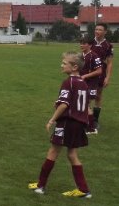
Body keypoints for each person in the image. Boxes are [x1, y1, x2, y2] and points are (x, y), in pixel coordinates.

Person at [28, 52, 92, 198]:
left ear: (74, 67)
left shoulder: (68, 82)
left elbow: (64, 105)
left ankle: (41, 185)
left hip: (67, 122)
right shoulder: (83, 83)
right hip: (79, 123)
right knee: (72, 154)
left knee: (53, 151)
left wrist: (52, 119)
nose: (61, 65)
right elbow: (82, 104)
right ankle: (83, 189)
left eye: (64, 63)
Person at [90, 22, 114, 129]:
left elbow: (110, 63)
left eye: (100, 30)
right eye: (96, 29)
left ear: (105, 32)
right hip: (88, 72)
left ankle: (95, 120)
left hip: (100, 73)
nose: (97, 31)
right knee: (86, 95)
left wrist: (107, 77)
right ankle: (84, 118)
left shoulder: (108, 45)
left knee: (98, 95)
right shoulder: (90, 42)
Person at [78, 35, 103, 134]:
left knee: (86, 104)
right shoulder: (80, 55)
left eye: (84, 43)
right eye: (80, 43)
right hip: (82, 83)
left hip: (91, 84)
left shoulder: (94, 56)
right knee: (83, 104)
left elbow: (99, 71)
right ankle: (85, 124)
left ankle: (92, 128)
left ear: (90, 45)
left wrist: (85, 76)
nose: (81, 45)